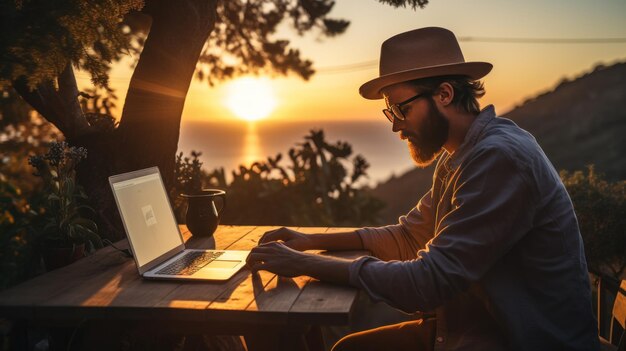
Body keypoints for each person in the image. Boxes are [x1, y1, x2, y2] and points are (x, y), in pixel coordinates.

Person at [246, 27, 599, 351]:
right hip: (476, 331)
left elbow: (428, 284)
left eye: (401, 109)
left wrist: (302, 263)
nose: (396, 126)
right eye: (390, 113)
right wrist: (312, 241)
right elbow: (408, 237)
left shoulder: (498, 159)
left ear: (444, 94)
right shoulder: (458, 156)